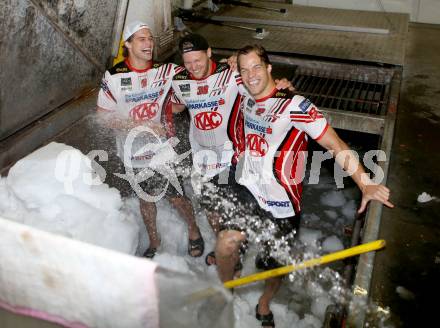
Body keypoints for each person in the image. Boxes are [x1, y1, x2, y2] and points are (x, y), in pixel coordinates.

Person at [215, 44, 394, 327]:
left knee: (274, 264)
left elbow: (334, 144)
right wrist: (229, 62)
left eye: (256, 68)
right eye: (245, 69)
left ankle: (264, 302)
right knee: (226, 244)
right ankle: (224, 292)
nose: (250, 76)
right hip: (247, 186)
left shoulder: (295, 106)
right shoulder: (243, 86)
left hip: (280, 202)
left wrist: (364, 182)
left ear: (269, 69)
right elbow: (226, 70)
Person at [170, 34, 293, 268]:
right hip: (201, 160)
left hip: (230, 158)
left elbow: (260, 87)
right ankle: (222, 247)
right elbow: (177, 105)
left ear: (209, 53)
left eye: (198, 60)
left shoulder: (231, 74)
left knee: (232, 211)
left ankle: (234, 253)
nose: (193, 67)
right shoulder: (181, 80)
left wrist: (281, 86)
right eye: (188, 63)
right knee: (211, 210)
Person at [96, 21, 204, 259]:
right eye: (141, 39)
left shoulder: (165, 71)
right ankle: (155, 242)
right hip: (132, 154)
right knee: (146, 200)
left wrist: (226, 66)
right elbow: (103, 117)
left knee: (177, 197)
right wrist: (138, 126)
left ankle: (194, 231)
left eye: (150, 39)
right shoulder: (114, 76)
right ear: (128, 44)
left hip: (162, 150)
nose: (148, 44)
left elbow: (196, 75)